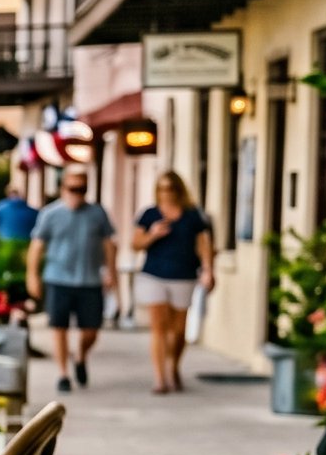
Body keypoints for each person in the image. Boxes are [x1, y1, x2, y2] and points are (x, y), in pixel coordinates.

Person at [26, 169, 117, 395]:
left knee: (91, 330)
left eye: (82, 189)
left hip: (90, 279)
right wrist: (32, 276)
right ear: (62, 188)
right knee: (59, 327)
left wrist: (111, 272)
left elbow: (108, 244)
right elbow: (36, 246)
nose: (77, 194)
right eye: (73, 188)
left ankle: (81, 356)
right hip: (58, 279)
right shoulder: (50, 214)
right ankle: (63, 374)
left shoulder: (98, 213)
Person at [129, 170, 215, 396]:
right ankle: (160, 378)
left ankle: (173, 366)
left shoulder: (192, 215)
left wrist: (208, 269)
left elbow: (203, 244)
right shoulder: (149, 215)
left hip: (184, 275)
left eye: (171, 189)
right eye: (163, 189)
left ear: (179, 190)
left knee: (178, 330)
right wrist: (153, 234)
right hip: (153, 275)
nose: (167, 194)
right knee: (158, 328)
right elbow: (136, 244)